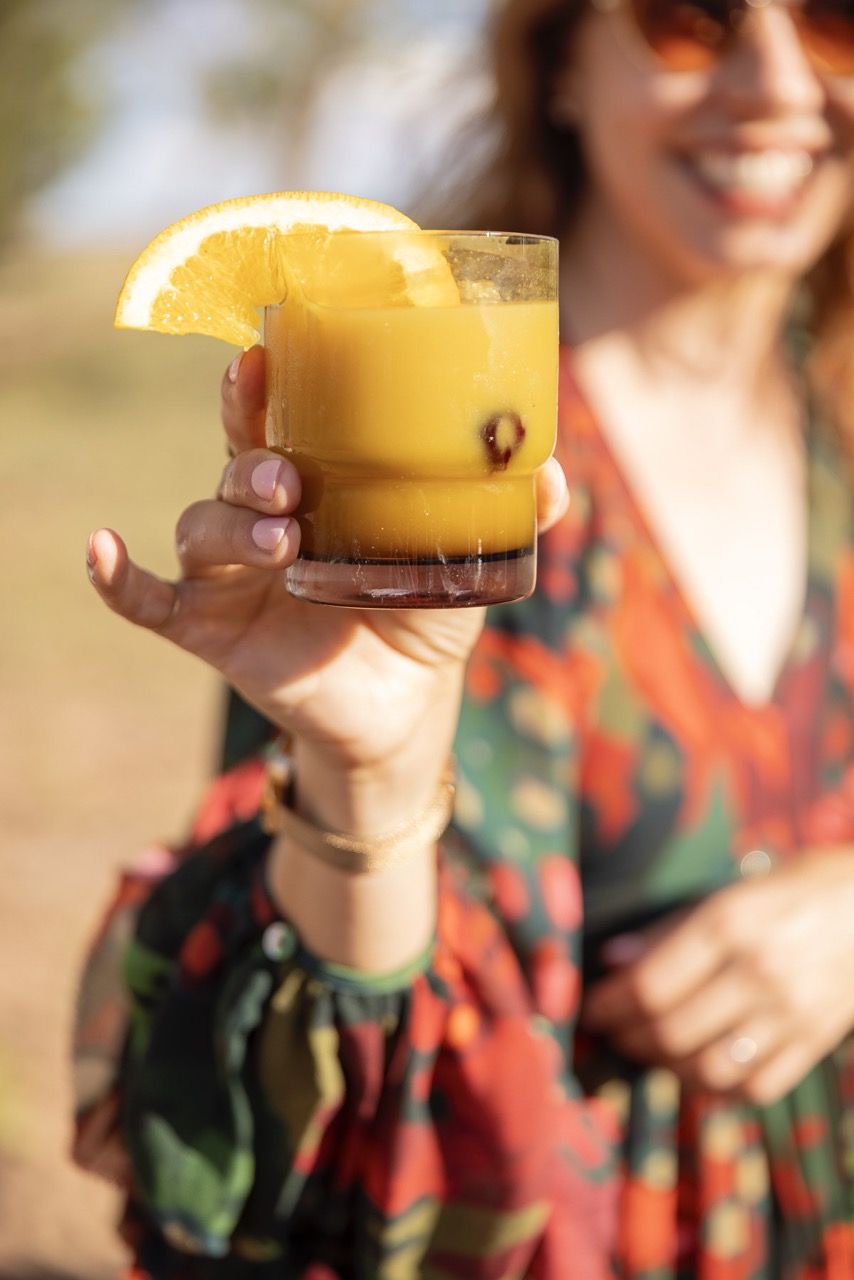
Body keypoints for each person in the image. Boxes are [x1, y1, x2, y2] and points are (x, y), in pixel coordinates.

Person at [77, 0, 854, 1275]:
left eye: (829, 19)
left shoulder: (836, 424)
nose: (774, 83)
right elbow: (303, 1124)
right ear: (558, 66)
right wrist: (369, 780)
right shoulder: (410, 465)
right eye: (686, 20)